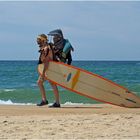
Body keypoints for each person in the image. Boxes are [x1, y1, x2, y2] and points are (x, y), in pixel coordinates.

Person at [36, 34, 60, 107]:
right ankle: (45, 100)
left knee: (52, 84)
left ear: (43, 40)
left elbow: (46, 62)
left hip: (49, 69)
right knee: (40, 82)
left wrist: (43, 73)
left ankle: (56, 102)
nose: (37, 42)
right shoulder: (46, 47)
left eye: (39, 40)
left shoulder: (46, 48)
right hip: (50, 68)